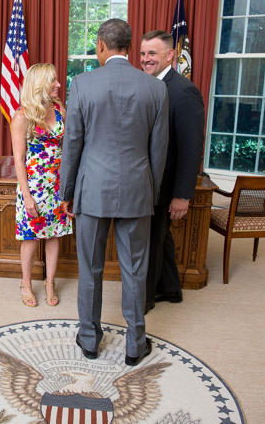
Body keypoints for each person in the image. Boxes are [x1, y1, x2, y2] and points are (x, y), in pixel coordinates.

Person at [59, 19, 169, 366]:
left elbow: (72, 143)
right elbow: (159, 150)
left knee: (90, 267)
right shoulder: (154, 88)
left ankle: (89, 340)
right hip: (137, 191)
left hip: (92, 191)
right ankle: (135, 344)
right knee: (135, 270)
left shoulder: (83, 84)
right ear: (129, 47)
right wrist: (149, 192)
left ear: (101, 46)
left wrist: (67, 190)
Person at [139, 30, 205, 312]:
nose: (145, 59)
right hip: (146, 178)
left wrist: (182, 195)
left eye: (152, 53)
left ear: (170, 55)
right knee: (160, 236)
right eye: (142, 54)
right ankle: (170, 289)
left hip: (166, 182)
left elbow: (192, 148)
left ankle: (145, 299)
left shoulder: (184, 90)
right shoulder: (143, 85)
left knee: (151, 239)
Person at [11, 63, 73, 308]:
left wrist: (69, 187)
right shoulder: (22, 116)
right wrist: (27, 196)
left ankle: (50, 283)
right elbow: (18, 160)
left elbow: (68, 149)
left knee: (54, 235)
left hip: (57, 186)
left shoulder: (60, 110)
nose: (58, 85)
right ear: (39, 85)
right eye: (53, 81)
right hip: (33, 187)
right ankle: (26, 283)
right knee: (30, 237)